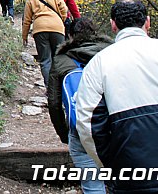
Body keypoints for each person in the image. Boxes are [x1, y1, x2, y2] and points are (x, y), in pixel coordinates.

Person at [76, 0, 158, 193]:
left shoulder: (98, 64)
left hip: (131, 173)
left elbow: (88, 125)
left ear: (113, 24)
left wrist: (110, 165)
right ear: (147, 22)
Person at [47, 18, 111, 194]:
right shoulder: (112, 53)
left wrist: (64, 133)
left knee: (92, 185)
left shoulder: (61, 59)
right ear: (96, 33)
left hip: (82, 127)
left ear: (69, 35)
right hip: (113, 124)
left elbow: (54, 102)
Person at [22, 0, 68, 87]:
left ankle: (50, 88)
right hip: (57, 28)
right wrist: (60, 20)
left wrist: (24, 37)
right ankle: (60, 87)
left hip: (40, 29)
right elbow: (64, 10)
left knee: (45, 60)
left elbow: (27, 20)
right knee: (58, 58)